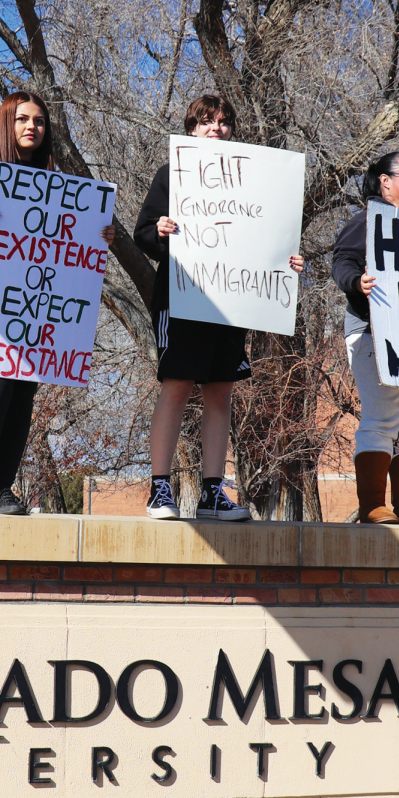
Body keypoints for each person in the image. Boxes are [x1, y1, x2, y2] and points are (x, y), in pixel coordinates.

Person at [0, 90, 116, 515]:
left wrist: (99, 235)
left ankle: (3, 491)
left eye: (38, 120)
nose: (31, 127)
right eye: (22, 119)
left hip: (32, 308)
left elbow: (73, 239)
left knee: (21, 394)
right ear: (6, 123)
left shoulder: (62, 187)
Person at [133, 93, 304, 521]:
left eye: (224, 122)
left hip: (232, 304)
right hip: (184, 298)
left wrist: (288, 261)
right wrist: (161, 230)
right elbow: (142, 235)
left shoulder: (256, 183)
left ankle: (212, 491)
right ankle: (160, 488)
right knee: (177, 384)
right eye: (207, 121)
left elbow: (266, 242)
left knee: (221, 390)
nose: (216, 129)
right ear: (191, 129)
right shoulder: (172, 175)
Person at [331, 151, 399, 526]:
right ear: (385, 181)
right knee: (383, 417)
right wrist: (356, 282)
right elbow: (342, 261)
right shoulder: (366, 222)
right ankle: (374, 504)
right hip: (373, 333)